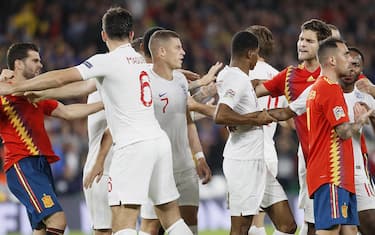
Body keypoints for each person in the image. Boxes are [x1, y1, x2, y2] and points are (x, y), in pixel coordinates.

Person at [0, 7, 193, 235]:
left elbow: (63, 77)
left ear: (103, 35)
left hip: (132, 147)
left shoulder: (107, 61)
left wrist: (19, 87)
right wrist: (42, 95)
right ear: (132, 35)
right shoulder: (141, 62)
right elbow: (85, 87)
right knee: (171, 218)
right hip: (159, 144)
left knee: (123, 223)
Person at [2, 43, 103, 235]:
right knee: (57, 219)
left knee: (40, 229)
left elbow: (67, 111)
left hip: (40, 166)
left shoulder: (36, 94)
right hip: (21, 164)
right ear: (18, 64)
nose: (40, 65)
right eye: (35, 60)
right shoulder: (4, 94)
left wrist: (105, 104)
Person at [254, 19, 332, 235]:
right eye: (300, 39)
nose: (302, 44)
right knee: (313, 221)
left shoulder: (333, 75)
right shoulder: (289, 76)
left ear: (322, 46)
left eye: (309, 41)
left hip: (337, 158)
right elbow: (258, 90)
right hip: (309, 159)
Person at [139, 29, 216, 235]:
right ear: (162, 52)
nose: (183, 52)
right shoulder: (144, 80)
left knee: (190, 219)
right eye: (178, 48)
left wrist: (199, 157)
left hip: (184, 165)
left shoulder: (181, 81)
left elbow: (188, 121)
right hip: (156, 166)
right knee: (151, 226)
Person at [306, 37, 374, 235]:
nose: (349, 60)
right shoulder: (329, 88)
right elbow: (343, 131)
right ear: (332, 61)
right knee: (330, 231)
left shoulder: (322, 87)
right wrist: (362, 120)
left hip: (340, 175)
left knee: (350, 231)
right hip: (331, 174)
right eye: (345, 55)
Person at [214, 30, 276, 235]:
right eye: (255, 54)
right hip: (246, 158)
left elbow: (224, 112)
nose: (257, 59)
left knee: (276, 222)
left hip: (253, 155)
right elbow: (221, 114)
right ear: (251, 53)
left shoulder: (226, 75)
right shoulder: (242, 77)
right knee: (247, 223)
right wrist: (253, 119)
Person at [246, 25, 296, 235]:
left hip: (247, 152)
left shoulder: (243, 72)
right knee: (260, 218)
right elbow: (289, 121)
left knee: (248, 221)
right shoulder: (280, 77)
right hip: (269, 151)